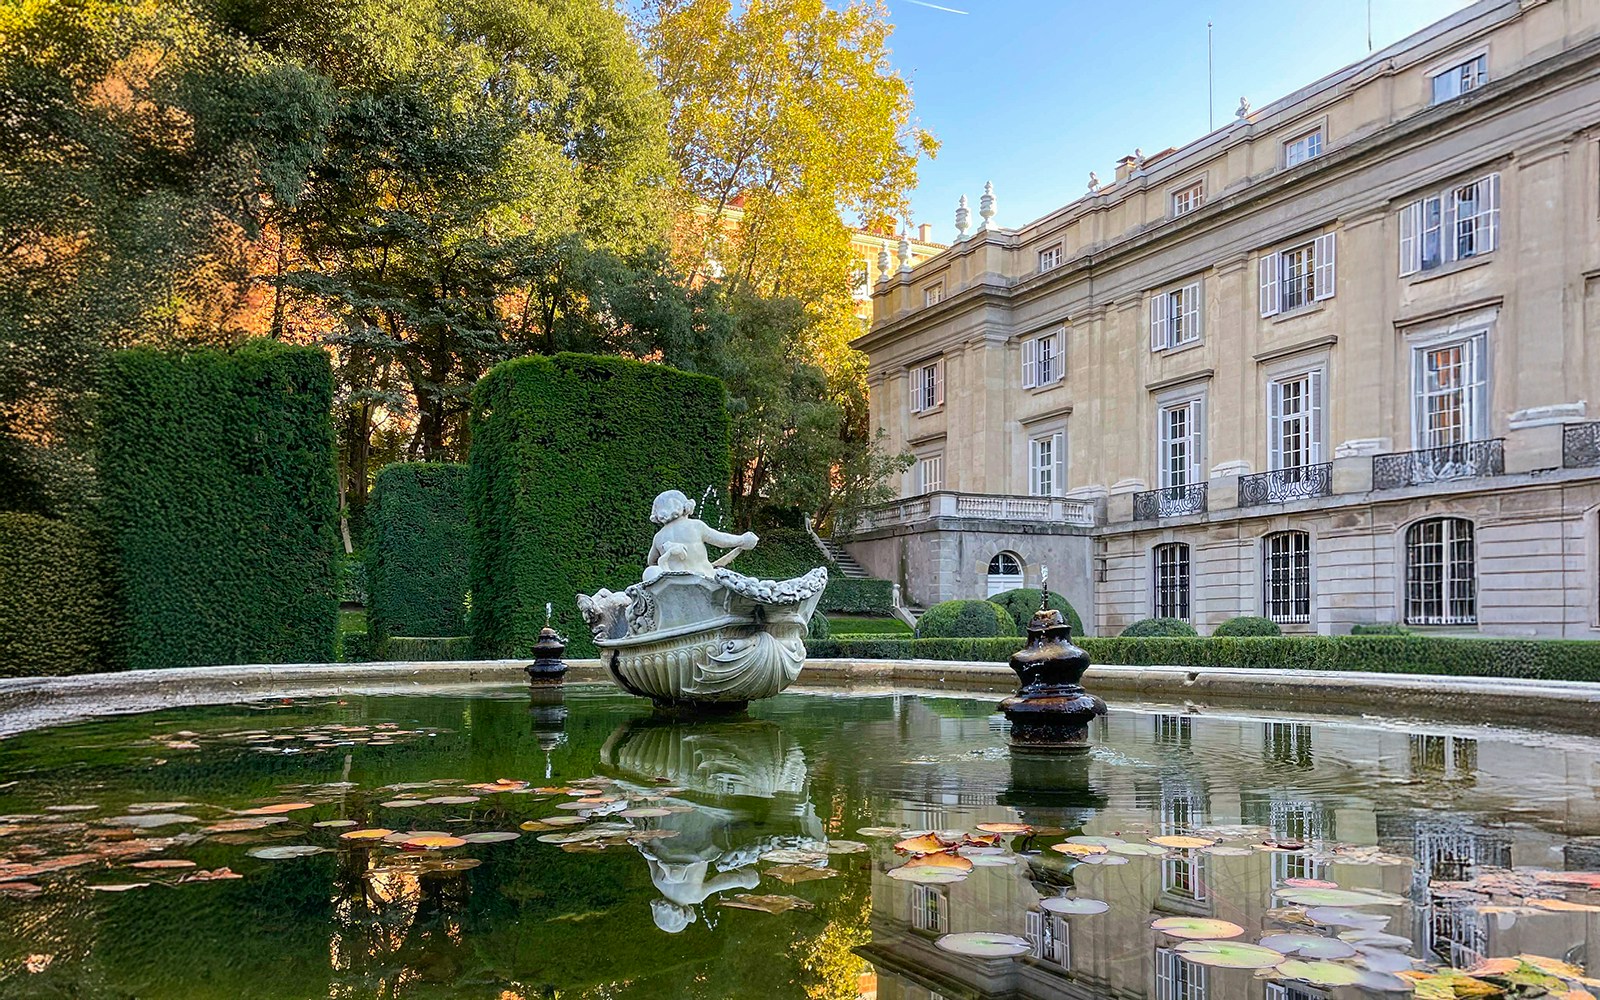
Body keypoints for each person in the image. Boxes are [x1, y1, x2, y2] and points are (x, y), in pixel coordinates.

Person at [645, 490, 758, 582]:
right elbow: (722, 541)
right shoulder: (695, 526)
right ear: (686, 507)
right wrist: (743, 540)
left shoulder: (658, 537)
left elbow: (651, 561)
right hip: (702, 579)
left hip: (674, 583)